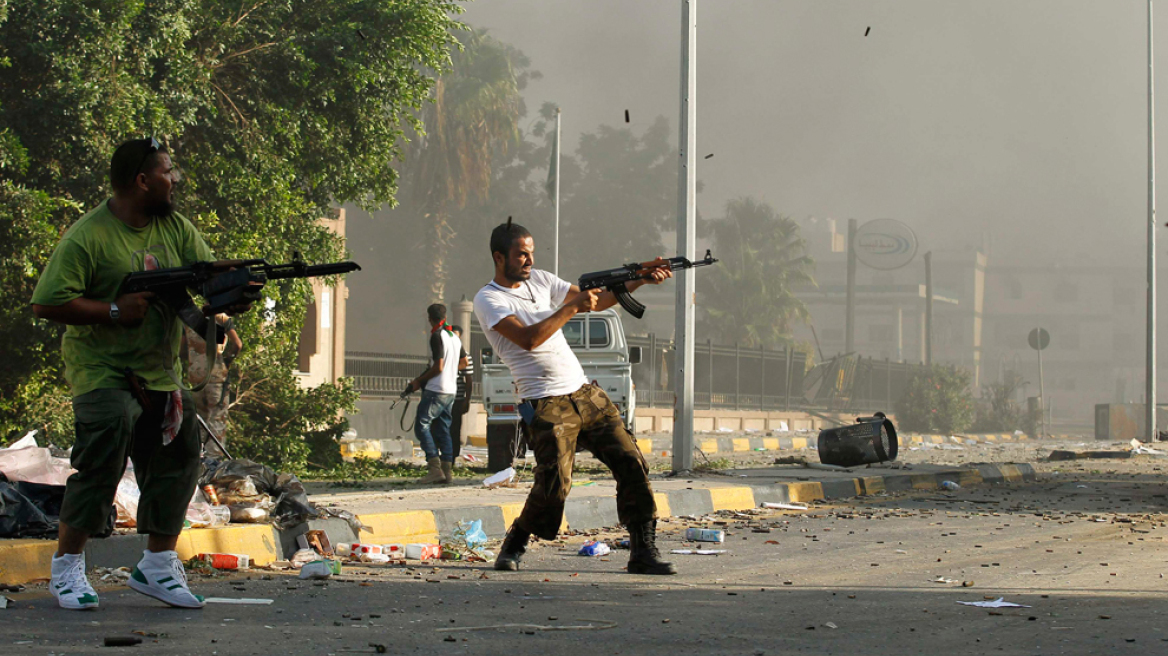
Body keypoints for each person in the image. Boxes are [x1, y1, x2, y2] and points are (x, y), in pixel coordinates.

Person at [30, 137, 251, 610]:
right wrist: (112, 310)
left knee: (180, 454)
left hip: (159, 371)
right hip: (102, 368)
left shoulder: (175, 227)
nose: (175, 180)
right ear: (141, 180)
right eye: (167, 172)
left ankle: (156, 565)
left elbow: (202, 280)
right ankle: (67, 568)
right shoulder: (87, 236)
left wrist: (233, 290)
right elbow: (47, 302)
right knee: (103, 455)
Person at [472, 221, 676, 575]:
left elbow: (601, 302)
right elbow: (530, 339)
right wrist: (572, 307)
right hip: (544, 401)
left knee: (632, 462)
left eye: (531, 253)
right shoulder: (489, 299)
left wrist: (640, 278)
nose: (529, 260)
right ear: (498, 256)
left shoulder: (542, 280)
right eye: (521, 254)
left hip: (584, 392)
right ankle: (516, 541)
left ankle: (643, 550)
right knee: (554, 484)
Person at [403, 304, 464, 484]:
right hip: (451, 391)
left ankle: (434, 468)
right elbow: (463, 363)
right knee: (443, 429)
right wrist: (449, 371)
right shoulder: (454, 337)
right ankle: (447, 471)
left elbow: (438, 367)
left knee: (422, 426)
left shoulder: (437, 336)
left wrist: (419, 381)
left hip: (436, 390)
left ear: (429, 318)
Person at [182, 314, 242, 457]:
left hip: (196, 378)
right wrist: (227, 361)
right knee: (217, 422)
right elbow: (237, 344)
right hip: (216, 376)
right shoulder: (220, 318)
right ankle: (213, 464)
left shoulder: (190, 318)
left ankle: (198, 462)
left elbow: (181, 350)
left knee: (200, 423)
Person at [449, 324, 474, 461]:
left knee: (454, 428)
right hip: (442, 397)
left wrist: (467, 400)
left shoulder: (465, 357)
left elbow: (468, 380)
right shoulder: (442, 353)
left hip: (457, 398)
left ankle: (452, 457)